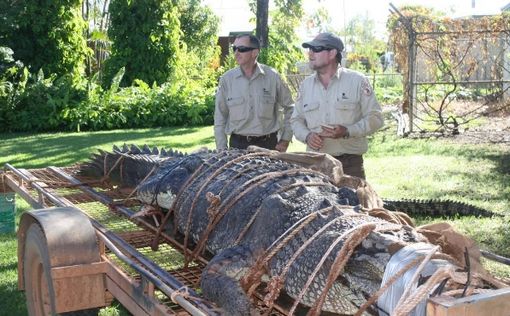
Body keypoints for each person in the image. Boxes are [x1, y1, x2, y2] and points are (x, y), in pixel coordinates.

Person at [291, 32, 384, 179]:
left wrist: (347, 131)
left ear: (332, 53)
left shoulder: (357, 81)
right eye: (309, 49)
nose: (310, 53)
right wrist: (307, 136)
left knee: (353, 202)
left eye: (316, 49)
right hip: (315, 165)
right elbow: (296, 121)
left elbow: (376, 118)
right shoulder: (306, 86)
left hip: (349, 165)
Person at [214, 33, 294, 152]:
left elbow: (291, 108)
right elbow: (220, 117)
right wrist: (221, 149)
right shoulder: (227, 80)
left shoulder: (273, 77)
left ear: (255, 52)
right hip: (238, 146)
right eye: (234, 48)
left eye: (241, 49)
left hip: (269, 145)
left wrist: (285, 139)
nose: (236, 53)